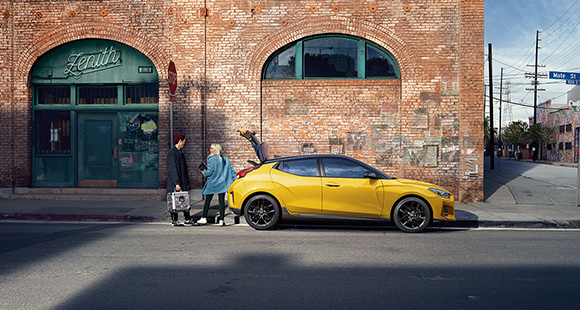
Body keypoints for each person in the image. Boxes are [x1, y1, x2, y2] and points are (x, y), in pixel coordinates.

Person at [198, 143, 236, 226]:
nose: (210, 150)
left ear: (215, 150)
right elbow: (231, 170)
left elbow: (210, 171)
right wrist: (234, 179)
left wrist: (204, 172)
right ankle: (221, 220)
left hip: (213, 182)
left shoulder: (211, 159)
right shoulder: (224, 159)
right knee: (221, 201)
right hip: (222, 182)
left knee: (207, 200)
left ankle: (204, 217)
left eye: (211, 148)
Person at [166, 133, 194, 226]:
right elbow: (172, 169)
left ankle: (187, 218)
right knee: (174, 200)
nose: (184, 144)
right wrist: (176, 183)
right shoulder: (172, 153)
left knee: (184, 200)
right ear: (180, 141)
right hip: (175, 182)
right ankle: (175, 220)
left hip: (183, 181)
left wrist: (186, 182)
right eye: (183, 142)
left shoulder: (180, 153)